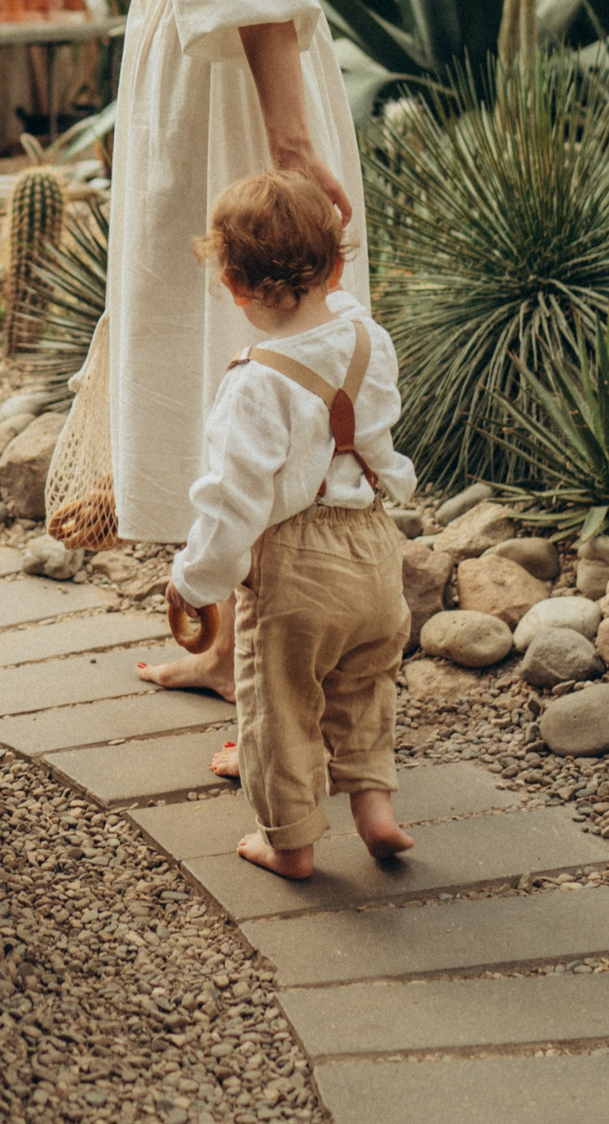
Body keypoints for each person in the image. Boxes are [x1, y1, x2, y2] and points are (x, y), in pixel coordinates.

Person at [5, 0, 369, 717]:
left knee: (229, 371)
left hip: (226, 111)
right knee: (247, 369)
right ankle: (231, 655)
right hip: (255, 95)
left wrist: (288, 146)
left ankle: (271, 685)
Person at [167, 171, 415, 878]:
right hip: (373, 544)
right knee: (366, 681)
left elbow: (232, 499)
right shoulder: (369, 336)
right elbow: (382, 430)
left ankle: (292, 841)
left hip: (298, 563)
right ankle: (376, 810)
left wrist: (195, 579)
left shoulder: (253, 381)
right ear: (337, 265)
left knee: (279, 704)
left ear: (236, 286)